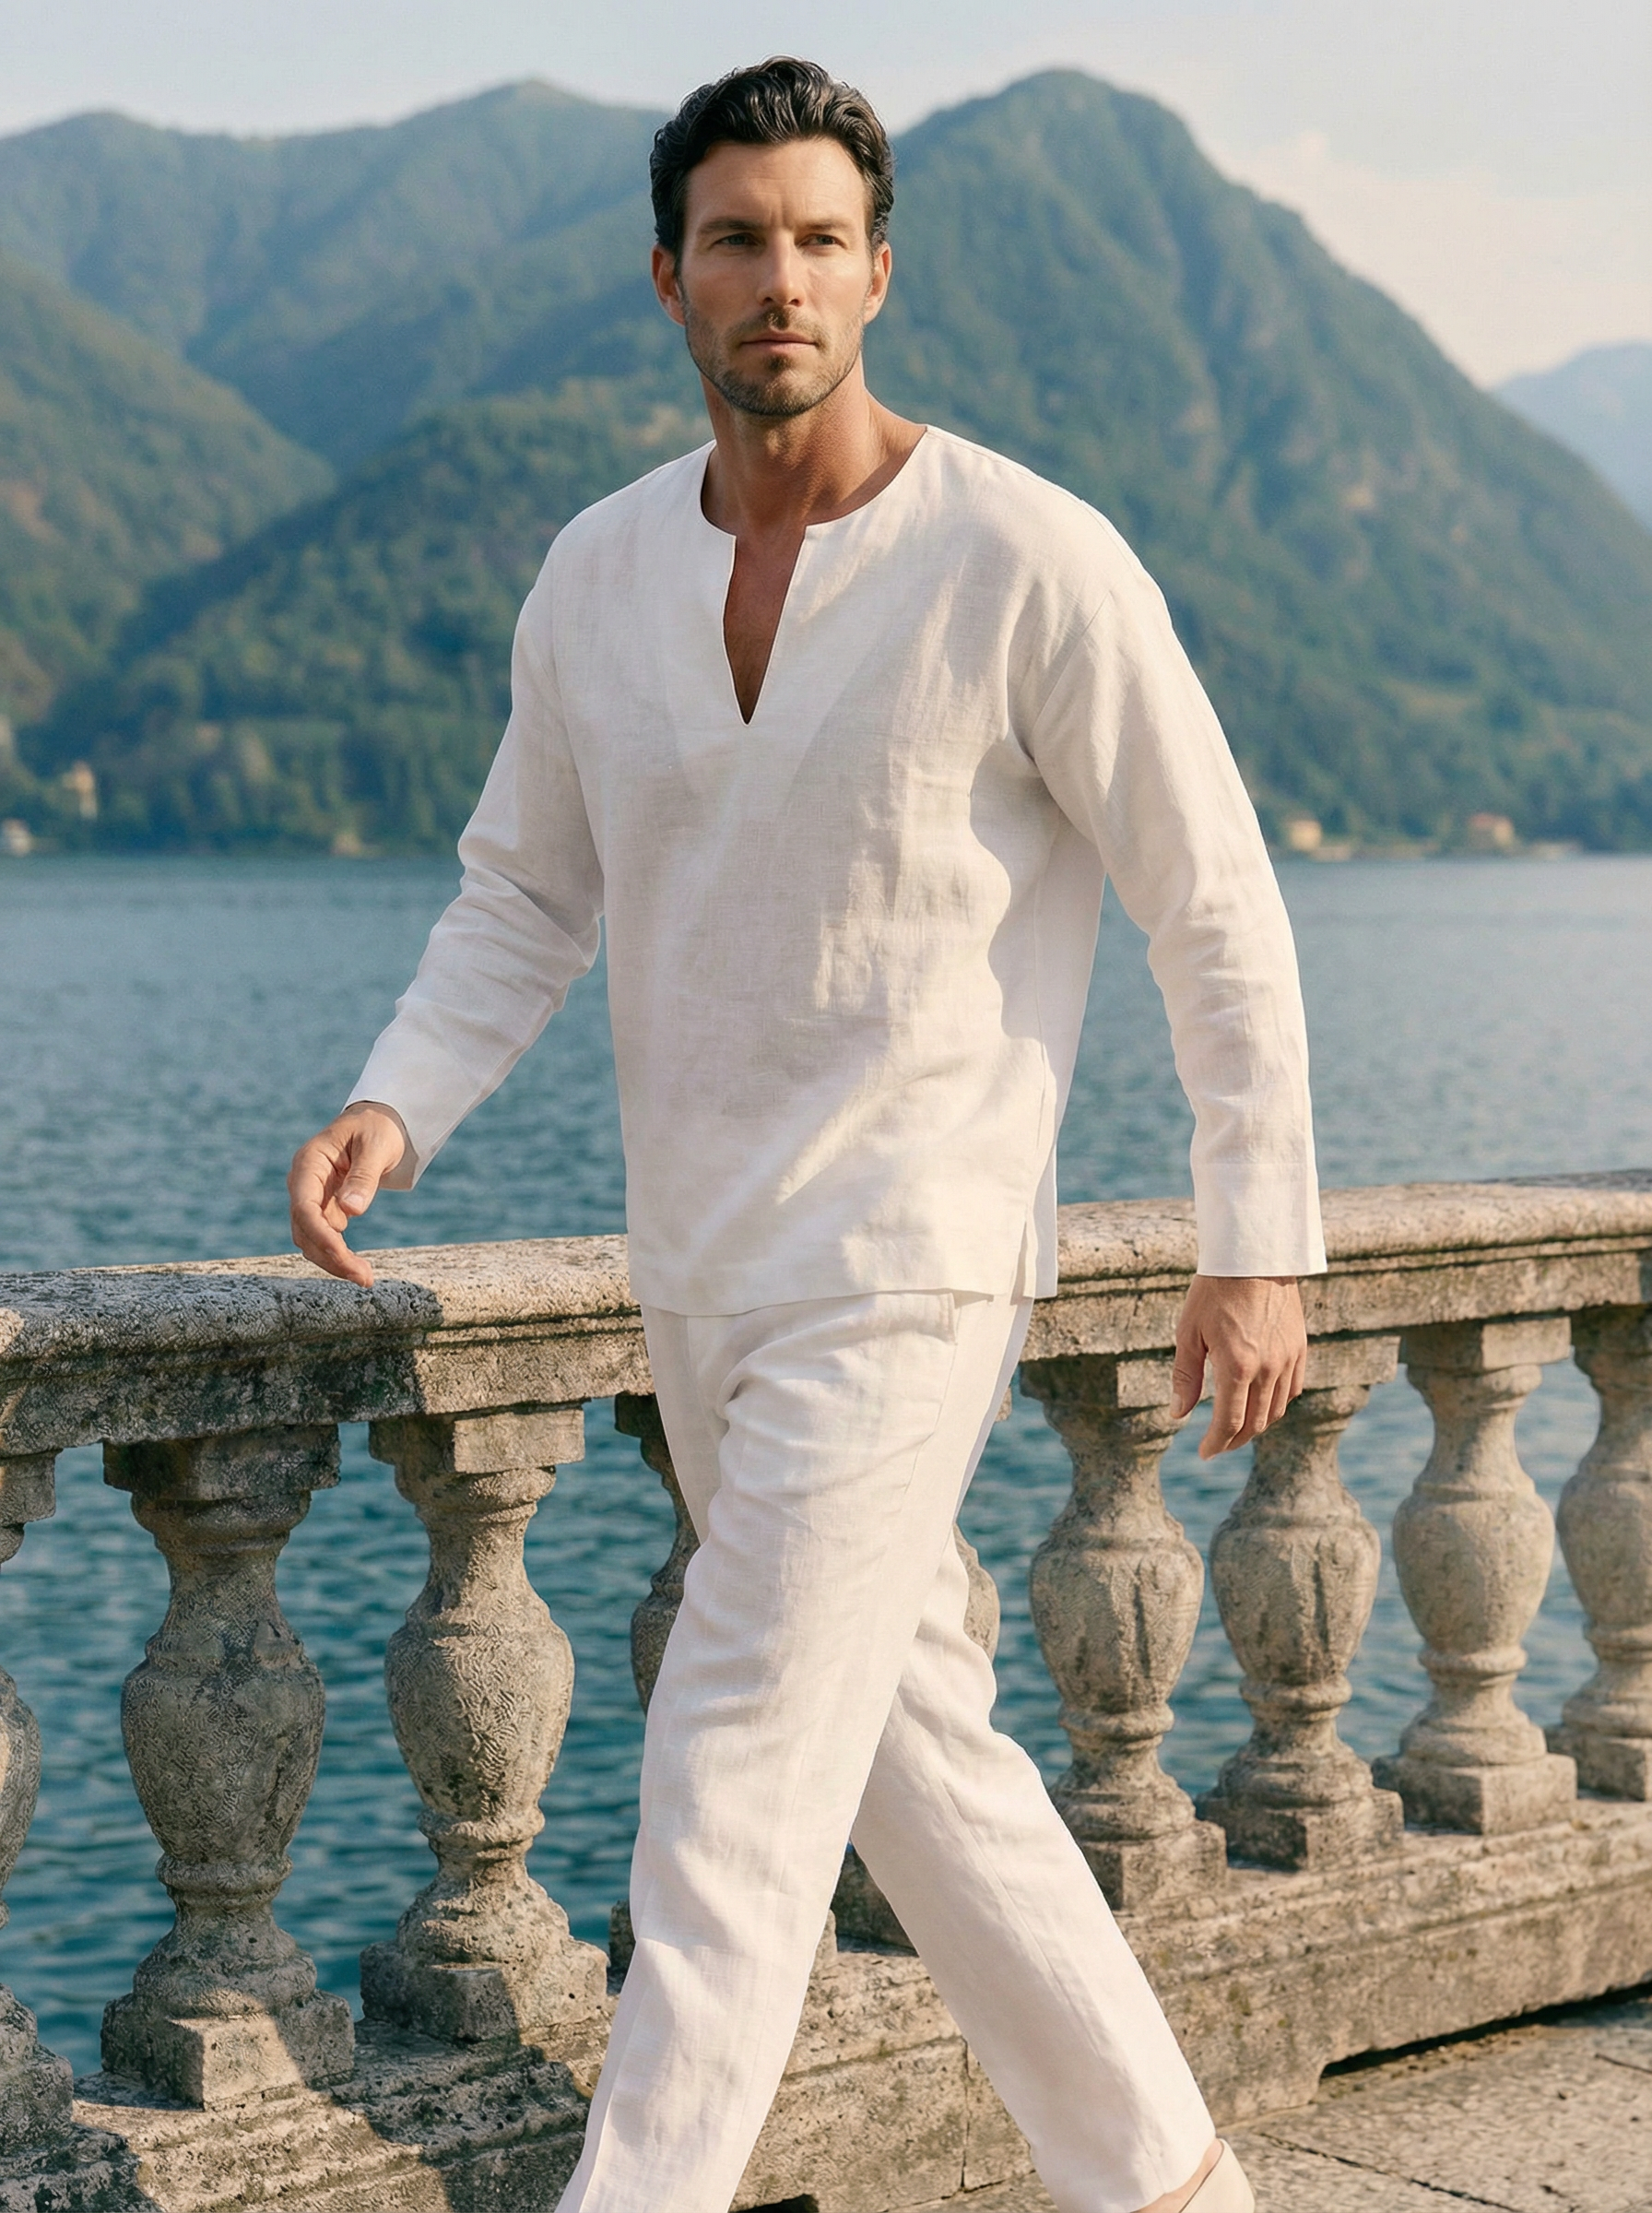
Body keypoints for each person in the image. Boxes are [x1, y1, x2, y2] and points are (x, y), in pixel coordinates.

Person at [289, 56, 1323, 2213]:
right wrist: (399, 1096)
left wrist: (1257, 1231)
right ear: (666, 277)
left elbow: (1206, 895)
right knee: (907, 1759)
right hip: (705, 1269)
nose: (781, 277)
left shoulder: (1025, 555)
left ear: (881, 273)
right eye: (737, 238)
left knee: (729, 1781)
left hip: (916, 1254)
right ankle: (1173, 2186)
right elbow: (521, 892)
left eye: (821, 238)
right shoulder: (591, 577)